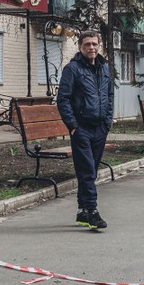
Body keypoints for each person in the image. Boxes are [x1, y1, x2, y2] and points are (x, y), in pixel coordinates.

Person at [56, 30, 114, 230]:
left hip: (100, 128)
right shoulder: (72, 69)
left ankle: (82, 212)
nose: (92, 47)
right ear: (80, 47)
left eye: (95, 44)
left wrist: (107, 122)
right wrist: (72, 126)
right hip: (81, 128)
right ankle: (93, 212)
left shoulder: (104, 68)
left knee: (89, 172)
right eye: (87, 44)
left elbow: (109, 95)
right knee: (88, 171)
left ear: (99, 46)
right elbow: (63, 99)